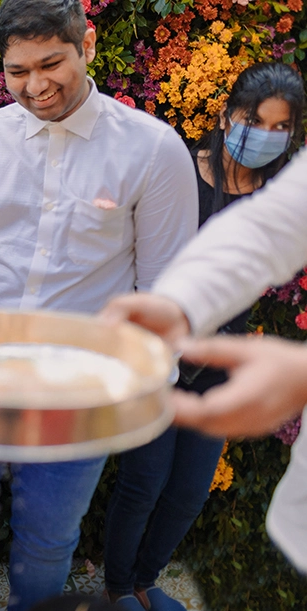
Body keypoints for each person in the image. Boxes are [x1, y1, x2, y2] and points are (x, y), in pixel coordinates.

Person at [0, 1, 198, 609]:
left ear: (89, 45)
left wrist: (140, 387)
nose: (35, 86)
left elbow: (162, 286)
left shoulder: (153, 150)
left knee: (48, 539)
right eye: (18, 71)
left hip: (79, 385)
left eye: (52, 64)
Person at [102, 61, 306, 611]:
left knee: (189, 493)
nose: (263, 136)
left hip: (218, 364)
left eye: (280, 127)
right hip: (158, 359)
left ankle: (147, 579)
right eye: (252, 120)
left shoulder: (278, 194)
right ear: (225, 115)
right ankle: (118, 586)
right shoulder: (179, 175)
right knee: (143, 482)